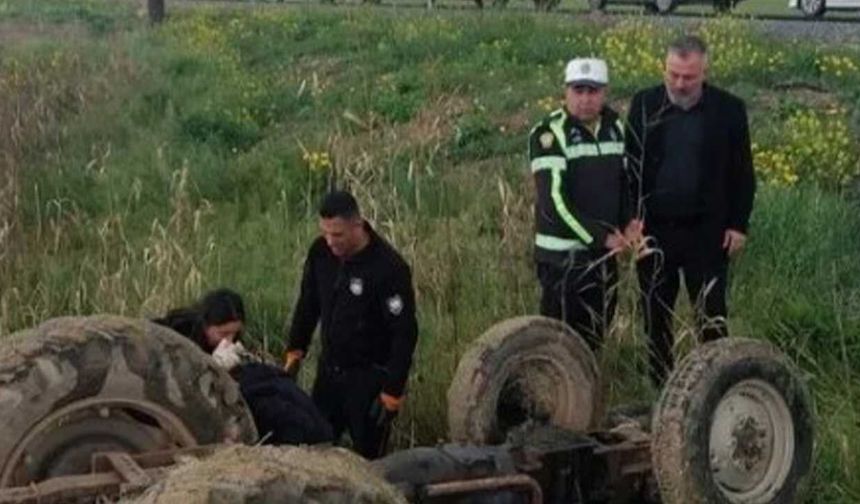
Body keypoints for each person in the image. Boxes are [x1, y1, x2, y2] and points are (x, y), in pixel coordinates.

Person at [625, 35, 756, 386]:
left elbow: (743, 172)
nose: (680, 84)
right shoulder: (643, 104)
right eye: (674, 75)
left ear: (704, 72)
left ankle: (714, 385)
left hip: (707, 232)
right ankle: (662, 388)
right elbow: (631, 169)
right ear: (665, 69)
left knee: (711, 315)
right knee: (656, 315)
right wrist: (631, 222)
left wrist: (738, 225)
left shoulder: (729, 109)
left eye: (689, 77)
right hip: (655, 232)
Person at [284, 190, 418, 459]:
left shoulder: (388, 268)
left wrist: (393, 391)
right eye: (325, 232)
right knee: (314, 450)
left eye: (338, 235)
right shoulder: (321, 253)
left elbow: (404, 333)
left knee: (368, 460)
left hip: (368, 381)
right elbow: (308, 304)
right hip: (330, 373)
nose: (330, 241)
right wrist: (296, 349)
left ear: (357, 225)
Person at [528, 57, 637, 350]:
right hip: (563, 258)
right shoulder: (549, 133)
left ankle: (587, 393)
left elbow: (623, 183)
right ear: (566, 91)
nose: (585, 99)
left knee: (594, 339)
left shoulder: (615, 128)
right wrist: (601, 236)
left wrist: (629, 222)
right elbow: (554, 202)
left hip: (602, 256)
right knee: (557, 344)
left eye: (593, 91)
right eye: (579, 90)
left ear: (604, 93)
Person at [153, 288, 334, 446]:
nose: (229, 340)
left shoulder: (225, 343)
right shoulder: (178, 339)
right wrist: (211, 364)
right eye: (223, 334)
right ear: (205, 325)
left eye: (235, 333)